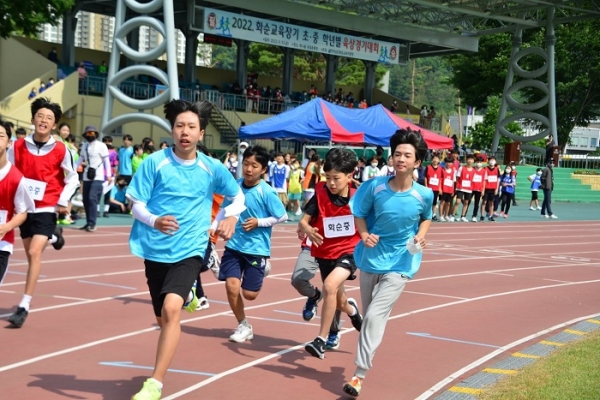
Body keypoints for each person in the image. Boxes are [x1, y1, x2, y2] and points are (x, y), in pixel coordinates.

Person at [128, 100, 245, 400]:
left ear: (201, 133)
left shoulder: (211, 167)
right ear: (172, 129)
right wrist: (154, 221)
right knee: (162, 318)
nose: (185, 132)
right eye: (180, 126)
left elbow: (237, 196)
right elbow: (136, 203)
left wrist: (231, 217)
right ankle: (189, 295)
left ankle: (154, 383)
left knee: (170, 310)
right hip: (155, 249)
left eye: (191, 127)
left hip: (191, 248)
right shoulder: (156, 163)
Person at [343, 129, 433, 397]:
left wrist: (421, 236)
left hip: (402, 262)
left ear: (417, 162)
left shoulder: (424, 194)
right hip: (371, 260)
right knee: (372, 318)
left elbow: (426, 217)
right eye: (397, 154)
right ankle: (362, 366)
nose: (400, 159)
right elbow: (358, 213)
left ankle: (359, 374)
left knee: (373, 316)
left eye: (407, 155)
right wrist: (363, 235)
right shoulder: (375, 187)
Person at [7, 98, 78, 328]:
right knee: (29, 252)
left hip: (47, 206)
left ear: (54, 125)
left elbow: (72, 178)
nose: (44, 120)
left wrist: (63, 199)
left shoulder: (60, 150)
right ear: (32, 120)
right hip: (24, 208)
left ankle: (24, 305)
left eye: (49, 118)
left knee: (35, 252)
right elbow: (7, 172)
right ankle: (54, 236)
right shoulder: (17, 147)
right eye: (40, 116)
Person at [217, 145, 287, 342]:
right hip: (234, 245)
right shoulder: (235, 187)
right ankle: (243, 324)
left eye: (254, 166)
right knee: (231, 286)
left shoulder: (267, 191)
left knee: (249, 294)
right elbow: (224, 209)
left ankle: (263, 267)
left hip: (256, 248)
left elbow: (281, 216)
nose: (248, 169)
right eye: (246, 164)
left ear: (263, 170)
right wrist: (215, 226)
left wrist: (259, 222)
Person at [300, 147, 363, 360]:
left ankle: (320, 340)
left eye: (336, 178)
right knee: (338, 299)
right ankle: (353, 311)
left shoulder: (359, 196)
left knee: (328, 286)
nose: (332, 183)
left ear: (350, 176)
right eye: (328, 178)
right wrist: (307, 229)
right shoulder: (320, 195)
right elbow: (303, 221)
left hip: (349, 251)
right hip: (325, 252)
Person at [0, 119, 35, 285]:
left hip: (1, 244)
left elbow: (22, 212)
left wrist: (5, 227)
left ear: (9, 143)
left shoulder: (16, 178)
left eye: (0, 136)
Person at [79, 126, 111, 231]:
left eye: (92, 133)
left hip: (98, 176)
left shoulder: (101, 145)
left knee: (92, 198)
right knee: (85, 200)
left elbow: (106, 161)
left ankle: (92, 223)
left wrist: (109, 175)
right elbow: (80, 159)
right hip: (87, 176)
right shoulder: (84, 146)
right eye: (88, 133)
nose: (90, 135)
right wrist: (71, 170)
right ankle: (88, 222)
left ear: (96, 134)